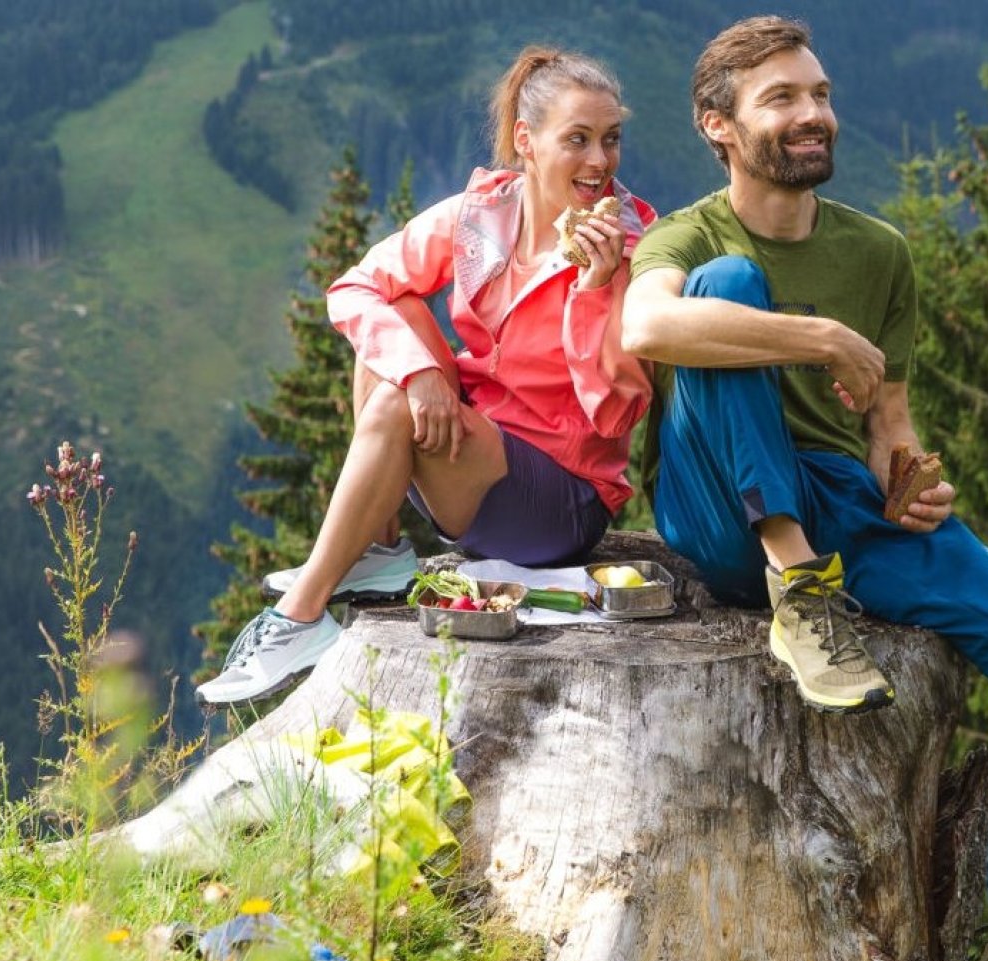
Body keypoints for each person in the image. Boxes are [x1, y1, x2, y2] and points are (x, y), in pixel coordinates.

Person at [619, 16, 988, 961]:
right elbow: (649, 332)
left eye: (820, 93)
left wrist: (913, 481)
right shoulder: (687, 238)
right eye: (781, 100)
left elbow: (888, 419)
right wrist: (818, 336)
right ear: (719, 126)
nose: (813, 115)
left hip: (846, 504)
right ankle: (796, 587)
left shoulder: (877, 253)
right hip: (721, 508)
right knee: (728, 296)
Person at [197, 46, 655, 709]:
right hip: (476, 453)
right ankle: (380, 549)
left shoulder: (633, 244)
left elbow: (615, 417)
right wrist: (420, 372)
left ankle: (299, 617)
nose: (600, 162)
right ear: (526, 142)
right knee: (394, 320)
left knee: (391, 405)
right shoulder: (483, 215)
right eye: (577, 139)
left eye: (610, 140)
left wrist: (594, 291)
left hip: (559, 499)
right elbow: (355, 287)